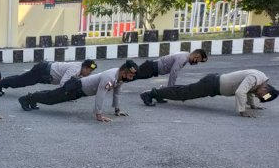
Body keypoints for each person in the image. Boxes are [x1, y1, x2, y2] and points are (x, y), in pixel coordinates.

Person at [19, 60, 139, 123]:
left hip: (79, 90)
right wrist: (99, 115)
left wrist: (117, 110)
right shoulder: (110, 76)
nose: (131, 78)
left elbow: (117, 93)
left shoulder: (119, 78)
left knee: (53, 96)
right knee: (51, 99)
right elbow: (100, 94)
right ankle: (27, 98)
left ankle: (31, 98)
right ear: (124, 72)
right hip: (76, 87)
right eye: (130, 75)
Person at [140, 69, 278, 117]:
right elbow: (241, 92)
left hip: (214, 83)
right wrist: (242, 111)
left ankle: (158, 93)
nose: (258, 96)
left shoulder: (260, 80)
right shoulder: (255, 78)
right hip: (212, 85)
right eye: (261, 96)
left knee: (185, 90)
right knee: (184, 94)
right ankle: (151, 93)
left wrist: (253, 106)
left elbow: (250, 92)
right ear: (265, 89)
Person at [134, 49, 208, 103]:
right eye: (197, 61)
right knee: (131, 76)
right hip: (151, 68)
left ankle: (159, 95)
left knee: (132, 76)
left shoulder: (185, 55)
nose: (196, 63)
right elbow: (174, 73)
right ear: (196, 56)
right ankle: (146, 95)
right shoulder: (182, 58)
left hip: (153, 68)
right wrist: (170, 89)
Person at [0, 59, 97, 96]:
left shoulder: (79, 68)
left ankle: (0, 84)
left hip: (45, 71)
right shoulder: (75, 69)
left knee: (21, 79)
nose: (90, 73)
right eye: (89, 71)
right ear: (84, 67)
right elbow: (63, 83)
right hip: (42, 71)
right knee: (20, 81)